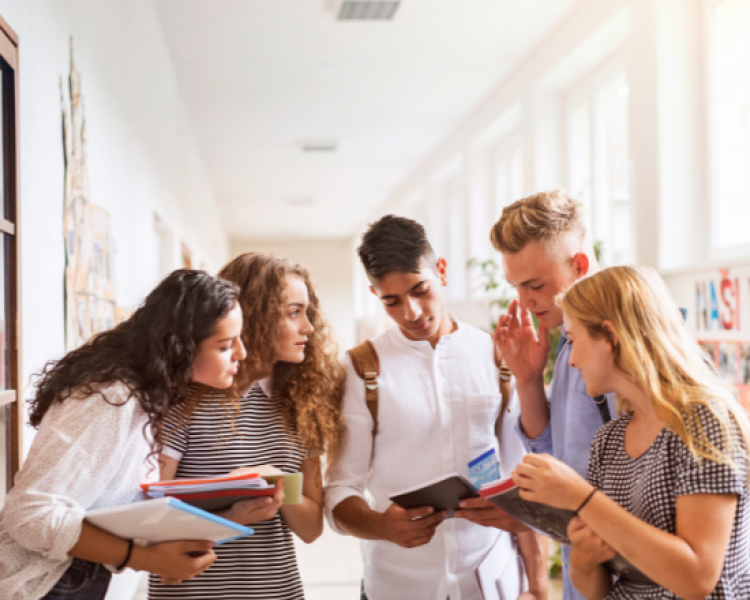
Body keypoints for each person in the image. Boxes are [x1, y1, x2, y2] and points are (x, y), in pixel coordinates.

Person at [324, 215, 547, 600]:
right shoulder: (362, 369)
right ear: (374, 293)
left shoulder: (496, 354)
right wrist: (381, 526)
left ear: (441, 271)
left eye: (420, 290)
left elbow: (519, 472)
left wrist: (539, 584)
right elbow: (341, 489)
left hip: (490, 578)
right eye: (391, 301)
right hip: (397, 585)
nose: (411, 312)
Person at [0, 270, 245, 600]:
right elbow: (28, 515)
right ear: (180, 348)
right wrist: (145, 558)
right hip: (41, 584)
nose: (241, 354)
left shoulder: (145, 396)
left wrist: (233, 502)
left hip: (76, 574)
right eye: (226, 345)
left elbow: (109, 502)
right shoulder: (113, 397)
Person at [512, 265, 750, 599]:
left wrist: (582, 498)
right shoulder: (608, 441)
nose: (570, 361)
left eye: (573, 339)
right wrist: (583, 560)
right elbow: (598, 588)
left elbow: (697, 579)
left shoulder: (703, 422)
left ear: (610, 337)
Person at [149, 253, 344, 600]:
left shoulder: (302, 403)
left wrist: (274, 481)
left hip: (277, 592)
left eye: (307, 312)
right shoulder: (183, 400)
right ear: (253, 314)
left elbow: (311, 528)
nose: (308, 327)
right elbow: (149, 518)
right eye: (293, 312)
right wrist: (232, 513)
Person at [491, 190, 617, 600]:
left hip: (624, 575)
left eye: (536, 284)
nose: (525, 301)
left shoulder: (619, 345)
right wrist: (527, 380)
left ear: (579, 265)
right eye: (516, 286)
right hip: (583, 569)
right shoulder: (567, 338)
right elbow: (555, 452)